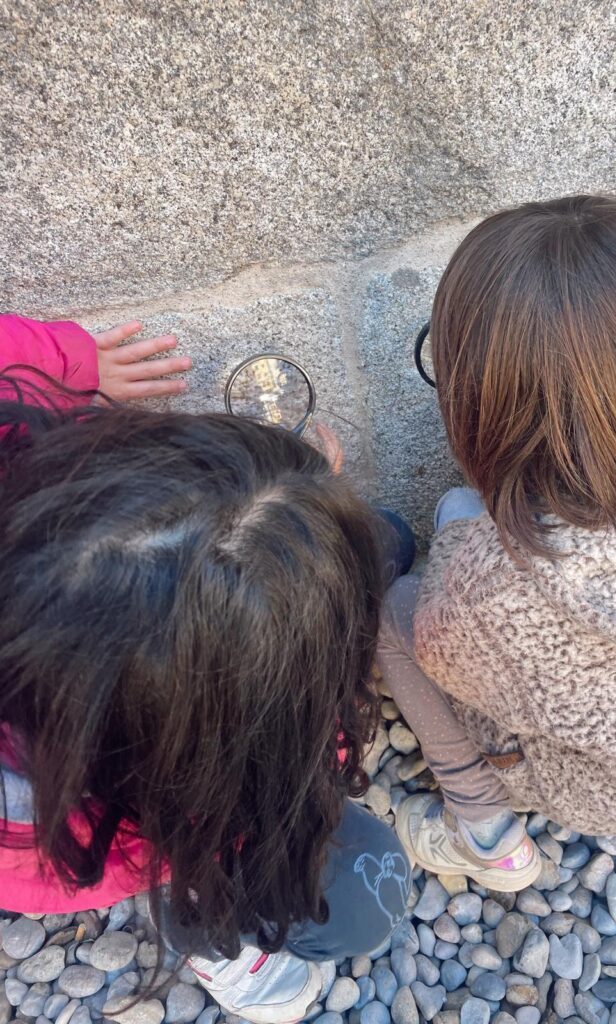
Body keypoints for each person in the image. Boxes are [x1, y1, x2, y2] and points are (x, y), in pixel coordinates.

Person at [0, 314, 411, 1024]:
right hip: (166, 843)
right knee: (330, 897)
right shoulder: (85, 829)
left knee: (385, 539)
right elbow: (275, 780)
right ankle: (211, 934)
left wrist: (70, 359)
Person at [378, 194, 616, 890]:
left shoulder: (489, 591)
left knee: (397, 604)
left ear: (485, 408)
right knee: (461, 511)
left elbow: (452, 648)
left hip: (594, 793)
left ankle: (484, 831)